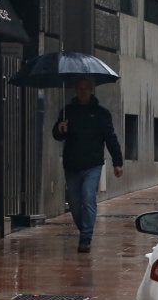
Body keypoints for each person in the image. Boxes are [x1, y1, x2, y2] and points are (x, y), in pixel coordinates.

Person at [51, 77, 124, 254]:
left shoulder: (101, 113)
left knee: (88, 197)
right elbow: (57, 135)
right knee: (75, 204)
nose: (82, 91)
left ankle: (85, 237)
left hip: (92, 164)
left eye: (86, 88)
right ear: (76, 90)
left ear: (92, 90)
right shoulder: (67, 112)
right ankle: (84, 228)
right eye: (79, 88)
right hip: (72, 164)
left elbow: (110, 138)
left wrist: (117, 162)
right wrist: (60, 129)